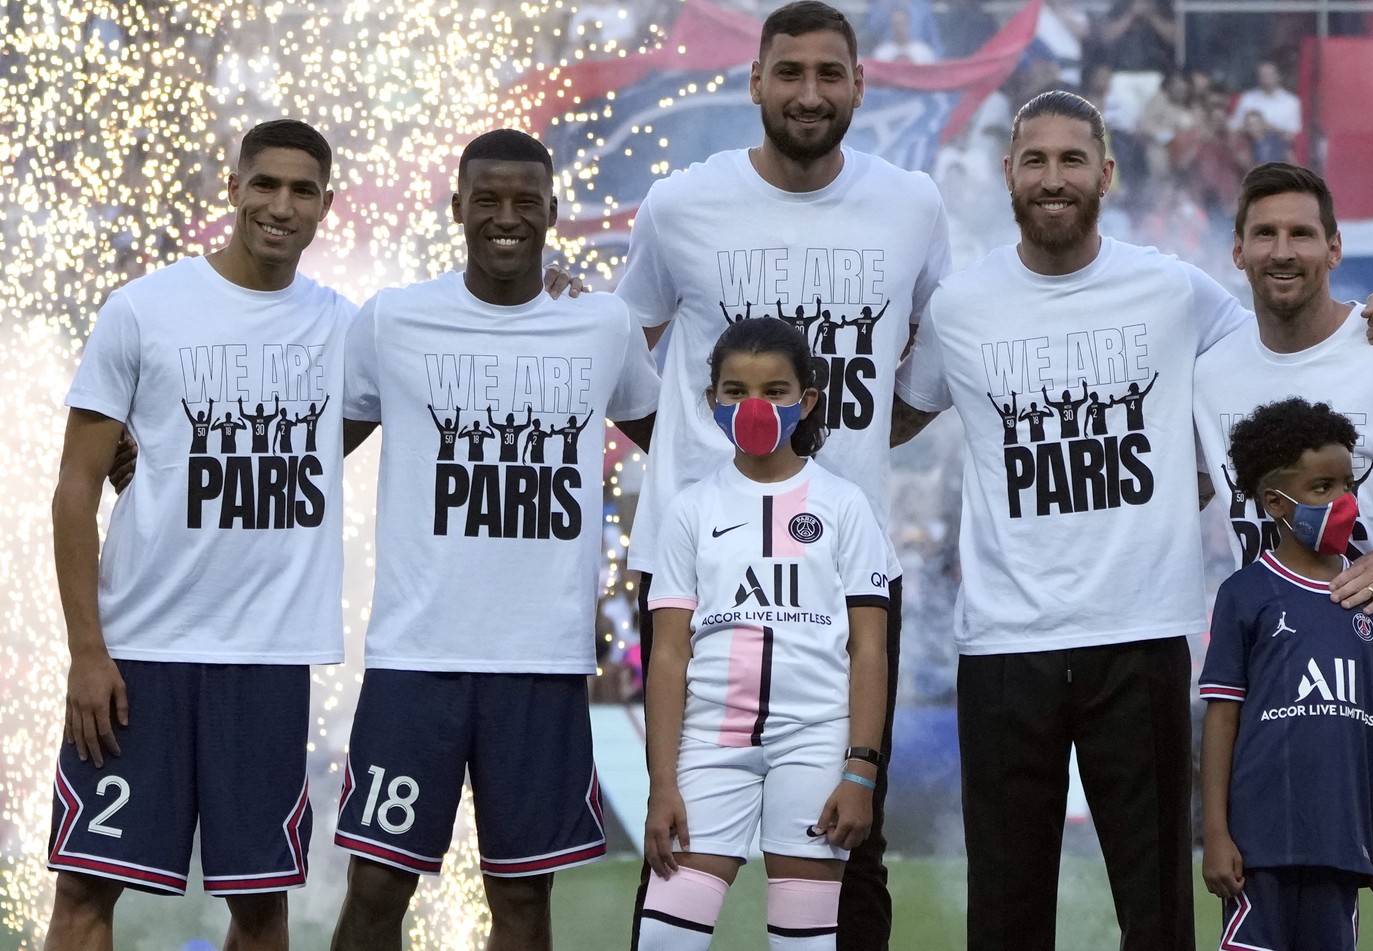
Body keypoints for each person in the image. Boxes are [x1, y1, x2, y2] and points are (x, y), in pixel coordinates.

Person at [890, 91, 1373, 950]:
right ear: (1008, 175)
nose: (1054, 177)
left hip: (1139, 635)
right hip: (1002, 648)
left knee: (1158, 909)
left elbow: (1285, 338)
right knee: (1005, 910)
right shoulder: (960, 306)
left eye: (1073, 160)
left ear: (1107, 173)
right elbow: (893, 418)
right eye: (1036, 160)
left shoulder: (1176, 291)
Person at [617, 4, 950, 947]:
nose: (810, 93)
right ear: (755, 80)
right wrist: (693, 460)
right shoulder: (681, 203)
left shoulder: (911, 204)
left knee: (857, 842)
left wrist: (851, 454)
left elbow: (936, 350)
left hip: (843, 560)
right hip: (702, 557)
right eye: (790, 72)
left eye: (830, 74)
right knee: (679, 829)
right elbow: (618, 349)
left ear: (859, 85)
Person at [329, 128, 660, 951]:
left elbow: (676, 445)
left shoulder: (602, 325)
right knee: (375, 887)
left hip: (541, 662)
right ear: (456, 208)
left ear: (553, 211)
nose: (505, 217)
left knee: (522, 899)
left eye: (524, 202)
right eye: (487, 200)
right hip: (416, 657)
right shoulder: (394, 320)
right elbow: (313, 448)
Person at [47, 118, 353, 951]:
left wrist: (557, 296)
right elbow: (76, 486)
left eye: (300, 190)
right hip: (137, 652)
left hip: (266, 656)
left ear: (328, 203)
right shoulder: (144, 308)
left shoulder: (347, 327)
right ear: (233, 188)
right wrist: (86, 650)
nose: (279, 205)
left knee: (259, 907)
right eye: (264, 184)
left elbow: (347, 427)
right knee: (83, 893)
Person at [1191, 162, 1373, 949]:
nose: (1282, 251)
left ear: (1334, 247)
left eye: (1300, 234)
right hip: (1272, 696)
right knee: (1284, 920)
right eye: (1265, 234)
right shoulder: (1210, 375)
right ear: (1238, 252)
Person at [637, 317, 889, 950]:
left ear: (805, 401)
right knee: (666, 942)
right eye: (736, 391)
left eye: (775, 391)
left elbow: (870, 649)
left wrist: (860, 773)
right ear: (712, 402)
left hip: (814, 739)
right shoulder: (690, 509)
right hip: (710, 741)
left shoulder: (846, 505)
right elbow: (668, 655)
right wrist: (662, 784)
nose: (754, 407)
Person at [1199, 397, 1373, 948]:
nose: (1343, 501)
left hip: (1344, 843)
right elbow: (1222, 718)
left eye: (1348, 484)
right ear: (1275, 502)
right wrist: (1216, 832)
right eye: (1323, 488)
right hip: (1258, 848)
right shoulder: (1244, 594)